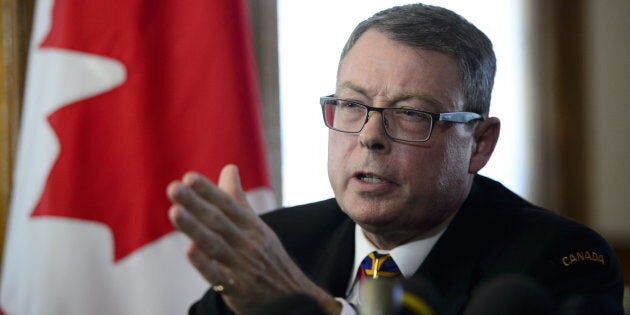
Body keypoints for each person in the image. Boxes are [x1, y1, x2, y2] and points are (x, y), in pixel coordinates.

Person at [166, 3, 624, 315]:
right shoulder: (280, 242)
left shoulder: (555, 263)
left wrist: (315, 308)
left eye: (409, 113)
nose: (369, 136)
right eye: (351, 104)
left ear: (480, 144)